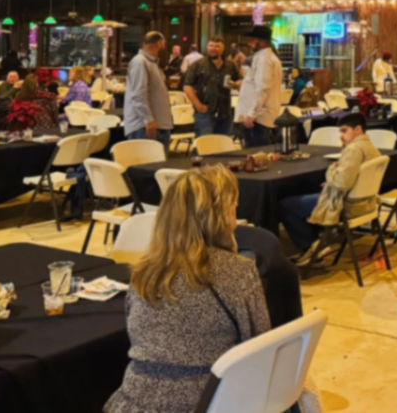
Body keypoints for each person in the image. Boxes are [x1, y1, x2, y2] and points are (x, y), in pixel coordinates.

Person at [103, 167, 271, 413]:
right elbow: (258, 348)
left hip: (134, 401)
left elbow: (136, 333)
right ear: (219, 216)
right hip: (209, 401)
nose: (236, 220)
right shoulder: (237, 272)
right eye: (233, 207)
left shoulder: (143, 271)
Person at [278, 113, 381, 264]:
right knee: (307, 194)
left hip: (347, 207)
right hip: (366, 204)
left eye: (344, 131)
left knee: (284, 204)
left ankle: (311, 246)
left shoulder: (354, 149)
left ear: (358, 129)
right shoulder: (369, 146)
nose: (340, 135)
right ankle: (316, 241)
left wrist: (332, 170)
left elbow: (342, 183)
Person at [183, 36, 240, 138]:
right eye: (211, 45)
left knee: (223, 146)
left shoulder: (230, 65)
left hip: (225, 112)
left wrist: (235, 84)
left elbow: (240, 81)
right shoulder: (198, 65)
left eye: (217, 46)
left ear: (223, 48)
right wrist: (198, 105)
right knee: (204, 147)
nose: (213, 48)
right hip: (205, 111)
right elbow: (188, 86)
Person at [235, 25, 282, 148]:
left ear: (262, 42)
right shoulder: (264, 57)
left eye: (253, 39)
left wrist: (251, 114)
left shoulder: (264, 59)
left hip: (258, 118)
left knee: (255, 156)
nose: (249, 43)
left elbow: (262, 88)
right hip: (259, 116)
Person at [125, 31, 173, 147]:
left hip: (158, 124)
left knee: (159, 165)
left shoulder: (151, 63)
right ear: (159, 43)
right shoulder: (140, 62)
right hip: (144, 126)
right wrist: (148, 120)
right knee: (144, 165)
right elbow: (138, 95)